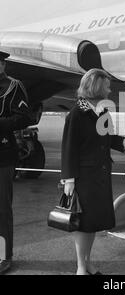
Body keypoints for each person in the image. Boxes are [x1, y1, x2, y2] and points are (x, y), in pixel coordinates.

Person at [61, 68, 125, 275]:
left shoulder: (102, 111)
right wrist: (69, 179)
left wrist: (121, 141)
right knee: (82, 224)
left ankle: (87, 262)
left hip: (100, 175)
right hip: (83, 177)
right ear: (97, 86)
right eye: (107, 86)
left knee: (91, 223)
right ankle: (81, 267)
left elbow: (106, 137)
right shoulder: (77, 113)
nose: (110, 90)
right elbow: (69, 147)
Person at [0, 51, 33, 274]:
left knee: (1, 208)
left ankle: (3, 256)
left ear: (2, 65)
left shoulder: (13, 87)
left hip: (2, 154)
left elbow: (24, 117)